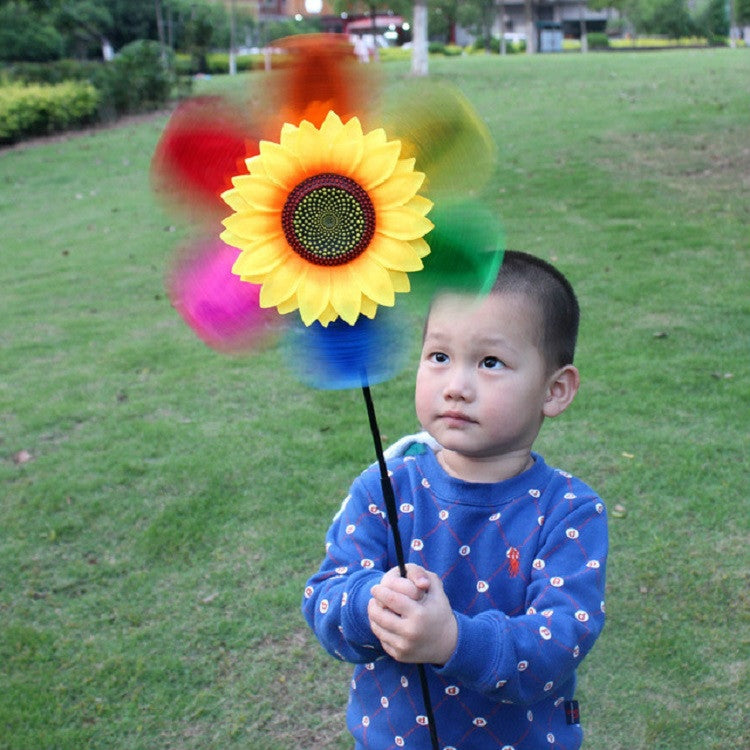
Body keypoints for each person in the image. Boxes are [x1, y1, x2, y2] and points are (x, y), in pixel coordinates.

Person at [302, 251, 608, 749]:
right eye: (439, 357)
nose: (456, 387)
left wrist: (453, 642)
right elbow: (324, 598)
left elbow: (557, 646)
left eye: (490, 362)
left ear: (554, 390)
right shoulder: (385, 487)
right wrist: (367, 604)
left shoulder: (569, 512)